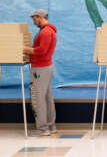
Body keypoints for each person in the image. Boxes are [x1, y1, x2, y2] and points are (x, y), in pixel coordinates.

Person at [22, 9, 57, 137]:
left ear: (40, 17)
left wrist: (26, 50)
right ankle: (50, 125)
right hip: (45, 67)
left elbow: (42, 50)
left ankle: (42, 128)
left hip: (40, 69)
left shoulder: (46, 32)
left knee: (38, 98)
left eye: (34, 18)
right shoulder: (49, 31)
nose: (33, 21)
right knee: (47, 97)